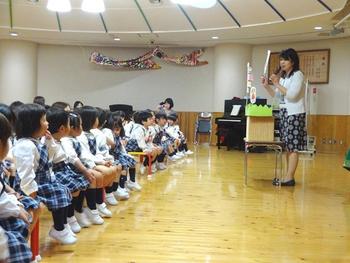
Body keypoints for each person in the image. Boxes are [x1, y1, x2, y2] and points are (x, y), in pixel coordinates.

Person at [261, 48, 307, 186]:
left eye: (285, 59)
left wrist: (276, 83)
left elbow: (292, 95)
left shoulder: (298, 75)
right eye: (281, 59)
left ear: (292, 61)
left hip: (294, 114)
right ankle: (288, 176)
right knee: (288, 147)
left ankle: (289, 178)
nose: (282, 62)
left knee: (293, 147)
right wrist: (266, 86)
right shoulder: (285, 78)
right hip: (285, 114)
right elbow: (277, 97)